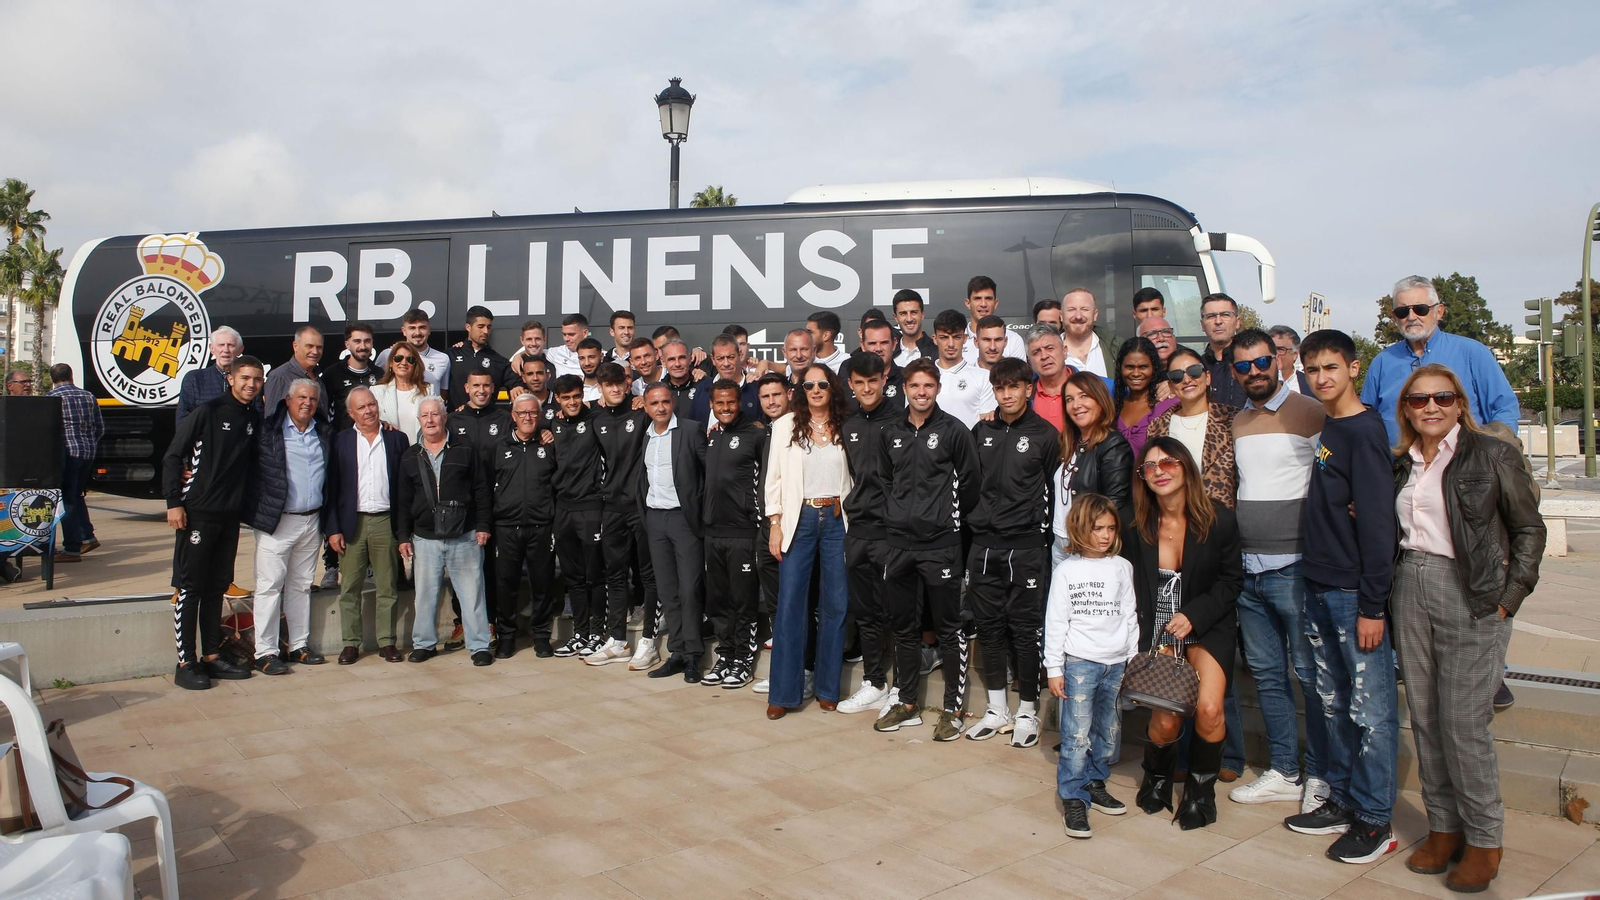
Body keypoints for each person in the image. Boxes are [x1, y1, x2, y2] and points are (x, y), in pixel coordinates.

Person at [1390, 365, 1543, 892]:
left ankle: (1483, 839)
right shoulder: (1402, 463)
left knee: (1463, 722)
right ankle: (1444, 827)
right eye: (1419, 400)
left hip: (1472, 591)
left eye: (1442, 397)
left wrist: (1509, 598)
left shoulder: (1492, 454)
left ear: (1459, 403)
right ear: (1406, 409)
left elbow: (1529, 529)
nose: (1430, 407)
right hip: (1411, 586)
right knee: (1426, 717)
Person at [1285, 329, 1400, 865]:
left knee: (1369, 711)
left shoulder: (1365, 430)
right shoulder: (1330, 425)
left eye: (1331, 367)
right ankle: (1345, 801)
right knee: (1333, 703)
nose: (1321, 377)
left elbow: (1378, 524)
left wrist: (1373, 605)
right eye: (1312, 369)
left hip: (1354, 594)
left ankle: (1375, 820)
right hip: (1318, 581)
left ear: (1354, 368)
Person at [1225, 329, 1329, 813]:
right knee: (1268, 675)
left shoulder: (1311, 412)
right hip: (1248, 569)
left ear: (1280, 360)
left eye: (1262, 361)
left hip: (1295, 566)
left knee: (1310, 676)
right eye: (1243, 366)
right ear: (1234, 372)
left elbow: (1332, 482)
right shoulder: (1238, 421)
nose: (1254, 372)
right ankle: (1285, 771)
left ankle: (1322, 775)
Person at [1127, 437, 1242, 831]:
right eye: (1150, 466)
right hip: (1159, 629)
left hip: (1206, 623)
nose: (1159, 471)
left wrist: (1194, 615)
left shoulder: (1220, 520)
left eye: (1168, 463)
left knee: (1209, 710)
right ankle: (1157, 779)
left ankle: (1200, 792)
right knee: (1166, 720)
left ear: (1186, 467)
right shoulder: (1135, 523)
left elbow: (1231, 582)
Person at [875, 359, 981, 740]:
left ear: (938, 388)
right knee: (904, 627)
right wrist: (899, 516)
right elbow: (885, 481)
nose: (921, 393)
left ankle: (953, 709)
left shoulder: (954, 431)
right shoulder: (891, 432)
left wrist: (942, 518)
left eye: (928, 386)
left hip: (941, 546)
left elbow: (971, 484)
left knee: (949, 629)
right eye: (915, 386)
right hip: (899, 546)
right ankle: (906, 703)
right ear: (905, 388)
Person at [966, 357, 1062, 748]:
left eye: (1014, 387)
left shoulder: (1046, 434)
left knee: (1024, 631)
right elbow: (968, 482)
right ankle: (996, 709)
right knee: (989, 628)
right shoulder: (982, 430)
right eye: (1000, 388)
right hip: (984, 544)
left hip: (1025, 547)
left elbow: (1054, 491)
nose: (1007, 395)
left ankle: (1027, 711)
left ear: (1028, 389)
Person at [163, 356, 264, 691]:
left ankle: (211, 656)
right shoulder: (208, 411)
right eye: (245, 378)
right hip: (198, 513)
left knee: (216, 587)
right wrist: (174, 502)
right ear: (231, 379)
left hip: (229, 517)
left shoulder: (253, 417)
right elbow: (173, 455)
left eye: (257, 379)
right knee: (190, 587)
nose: (251, 384)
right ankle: (185, 662)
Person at [1046, 494, 1140, 839]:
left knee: (1108, 732)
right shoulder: (1067, 571)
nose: (1105, 535)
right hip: (1080, 664)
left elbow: (1129, 614)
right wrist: (1054, 668)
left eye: (1111, 528)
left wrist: (1132, 659)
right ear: (1079, 528)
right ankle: (1073, 796)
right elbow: (1056, 621)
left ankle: (1095, 782)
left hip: (1116, 664)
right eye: (1097, 528)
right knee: (1075, 735)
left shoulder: (1122, 567)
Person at [764, 364, 851, 718]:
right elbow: (773, 478)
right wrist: (774, 522)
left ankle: (828, 688)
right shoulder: (784, 425)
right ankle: (783, 693)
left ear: (832, 388)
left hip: (836, 520)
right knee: (790, 606)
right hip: (797, 520)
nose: (816, 390)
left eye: (822, 384)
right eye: (809, 384)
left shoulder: (845, 424)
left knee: (836, 605)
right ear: (801, 390)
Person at [1362, 275, 1520, 447]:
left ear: (1439, 312)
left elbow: (1504, 410)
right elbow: (1367, 422)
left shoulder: (1472, 353)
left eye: (1420, 309)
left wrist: (1490, 453)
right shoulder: (1382, 362)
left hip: (1464, 461)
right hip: (1397, 462)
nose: (1411, 317)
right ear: (1394, 317)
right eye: (1402, 312)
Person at [243, 378, 333, 674]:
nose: (307, 403)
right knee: (269, 586)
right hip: (277, 521)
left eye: (312, 399)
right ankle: (265, 652)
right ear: (288, 400)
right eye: (302, 398)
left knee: (301, 586)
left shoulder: (323, 431)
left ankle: (298, 645)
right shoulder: (269, 430)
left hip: (312, 520)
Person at [396, 398, 494, 666]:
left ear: (444, 417)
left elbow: (482, 490)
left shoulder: (465, 450)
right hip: (425, 538)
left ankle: (479, 645)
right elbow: (403, 500)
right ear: (419, 421)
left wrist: (483, 525)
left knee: (472, 594)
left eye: (435, 414)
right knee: (425, 595)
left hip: (465, 536)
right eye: (424, 416)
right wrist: (403, 536)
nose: (430, 420)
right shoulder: (410, 456)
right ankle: (424, 644)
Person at [835, 352, 899, 714]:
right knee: (866, 612)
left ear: (884, 380)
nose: (867, 389)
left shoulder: (902, 420)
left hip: (894, 532)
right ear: (851, 385)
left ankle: (902, 688)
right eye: (859, 383)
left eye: (873, 381)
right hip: (858, 530)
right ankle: (874, 682)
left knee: (900, 612)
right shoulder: (849, 425)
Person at [326, 387, 407, 665]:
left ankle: (387, 641)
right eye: (361, 407)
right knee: (350, 587)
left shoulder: (396, 439)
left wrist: (403, 529)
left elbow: (404, 487)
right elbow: (331, 488)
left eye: (371, 404)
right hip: (352, 523)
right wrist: (333, 529)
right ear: (351, 413)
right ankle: (351, 643)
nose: (368, 411)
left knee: (388, 586)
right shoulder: (340, 441)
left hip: (386, 521)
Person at [587, 363, 658, 668]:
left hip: (641, 506)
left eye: (619, 383)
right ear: (600, 388)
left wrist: (645, 403)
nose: (615, 389)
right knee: (615, 575)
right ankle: (617, 641)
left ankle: (649, 642)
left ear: (627, 384)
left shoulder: (642, 413)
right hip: (611, 508)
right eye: (608, 385)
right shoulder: (596, 419)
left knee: (649, 575)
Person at [637, 382, 709, 681]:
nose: (661, 407)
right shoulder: (645, 435)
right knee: (667, 590)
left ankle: (693, 656)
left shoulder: (691, 430)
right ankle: (677, 653)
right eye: (654, 403)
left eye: (665, 401)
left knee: (689, 589)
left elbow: (707, 472)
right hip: (655, 519)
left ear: (673, 402)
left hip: (684, 519)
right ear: (646, 407)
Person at [699, 380, 767, 688]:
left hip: (743, 532)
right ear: (711, 405)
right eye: (719, 403)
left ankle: (743, 660)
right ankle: (725, 655)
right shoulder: (712, 436)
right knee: (719, 600)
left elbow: (765, 482)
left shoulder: (756, 435)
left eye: (731, 402)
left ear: (740, 403)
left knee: (743, 600)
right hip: (713, 532)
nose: (725, 408)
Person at [490, 393, 559, 659]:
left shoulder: (549, 445)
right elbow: (487, 485)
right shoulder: (500, 447)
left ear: (539, 416)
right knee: (505, 584)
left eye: (532, 413)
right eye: (522, 413)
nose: (527, 417)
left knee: (542, 584)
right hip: (507, 527)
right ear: (513, 416)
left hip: (541, 527)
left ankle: (541, 636)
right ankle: (506, 636)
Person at [547, 374, 607, 657]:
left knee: (595, 574)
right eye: (566, 398)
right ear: (557, 399)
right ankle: (580, 634)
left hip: (591, 506)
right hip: (563, 508)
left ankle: (598, 633)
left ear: (583, 395)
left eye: (576, 396)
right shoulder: (552, 424)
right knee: (573, 576)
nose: (572, 402)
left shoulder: (596, 418)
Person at [1052, 373, 1134, 567]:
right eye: (1069, 399)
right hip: (1060, 542)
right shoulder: (1068, 443)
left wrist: (1090, 543)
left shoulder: (1113, 444)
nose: (1076, 405)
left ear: (1100, 399)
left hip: (1090, 546)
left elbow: (1115, 503)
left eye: (1084, 396)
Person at [1148, 347, 1239, 508]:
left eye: (1194, 371)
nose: (1187, 379)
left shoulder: (1233, 420)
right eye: (1177, 376)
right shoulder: (1157, 427)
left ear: (1208, 377)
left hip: (1222, 516)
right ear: (1170, 385)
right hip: (1175, 516)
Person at [47, 364, 104, 562]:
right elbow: (100, 428)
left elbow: (48, 431)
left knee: (66, 500)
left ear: (53, 379)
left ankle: (72, 548)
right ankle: (86, 535)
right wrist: (89, 443)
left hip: (67, 454)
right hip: (88, 453)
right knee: (77, 495)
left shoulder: (52, 398)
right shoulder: (89, 396)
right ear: (71, 376)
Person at [1113, 336, 1178, 459]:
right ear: (1120, 368)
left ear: (1154, 368)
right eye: (1129, 367)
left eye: (1143, 367)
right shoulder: (1113, 407)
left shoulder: (1170, 404)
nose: (1136, 373)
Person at [930, 309, 997, 427]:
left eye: (956, 337)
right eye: (944, 337)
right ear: (935, 339)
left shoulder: (983, 377)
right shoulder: (921, 378)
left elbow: (986, 425)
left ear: (965, 338)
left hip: (970, 439)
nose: (951, 344)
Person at [446, 305, 518, 407]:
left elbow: (518, 383)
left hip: (488, 417)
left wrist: (517, 387)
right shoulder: (450, 355)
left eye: (489, 327)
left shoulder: (499, 361)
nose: (485, 331)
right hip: (455, 416)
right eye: (481, 326)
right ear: (468, 327)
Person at [176, 326, 245, 427]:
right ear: (212, 349)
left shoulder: (248, 380)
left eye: (231, 345)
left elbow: (259, 417)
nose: (225, 350)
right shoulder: (194, 379)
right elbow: (183, 419)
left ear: (240, 350)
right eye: (221, 345)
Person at [376, 309, 450, 401]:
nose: (417, 333)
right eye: (412, 328)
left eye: (422, 327)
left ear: (429, 329)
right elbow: (378, 384)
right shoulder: (388, 355)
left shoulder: (443, 359)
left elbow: (443, 394)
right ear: (404, 331)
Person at [690, 334, 763, 425]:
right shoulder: (702, 388)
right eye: (720, 358)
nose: (726, 363)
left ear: (739, 355)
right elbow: (693, 427)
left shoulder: (756, 389)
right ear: (713, 360)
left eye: (731, 357)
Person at [263, 325, 331, 420]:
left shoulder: (319, 378)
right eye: (309, 346)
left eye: (319, 347)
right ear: (295, 346)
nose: (315, 352)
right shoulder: (279, 376)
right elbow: (271, 419)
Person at [838, 320, 905, 414]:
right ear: (863, 346)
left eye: (884, 343)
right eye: (872, 343)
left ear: (894, 344)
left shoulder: (906, 377)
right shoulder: (847, 373)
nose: (878, 349)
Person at [370, 341, 432, 442]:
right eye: (398, 358)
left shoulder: (428, 390)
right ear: (391, 363)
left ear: (415, 364)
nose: (404, 363)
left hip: (421, 448)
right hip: (392, 447)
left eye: (410, 359)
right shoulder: (377, 391)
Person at [324, 322, 380, 432]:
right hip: (343, 438)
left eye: (367, 341)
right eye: (357, 341)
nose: (363, 346)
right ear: (347, 345)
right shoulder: (332, 374)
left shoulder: (380, 374)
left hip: (375, 436)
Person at [1198, 294, 1247, 408]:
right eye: (1211, 316)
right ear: (1202, 325)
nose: (1218, 321)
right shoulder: (1196, 368)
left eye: (1225, 315)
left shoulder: (1252, 364)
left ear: (1237, 322)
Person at [961, 275, 1026, 362]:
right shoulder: (957, 341)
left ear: (995, 303)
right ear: (968, 303)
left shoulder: (1014, 340)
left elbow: (1019, 371)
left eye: (988, 298)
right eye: (977, 298)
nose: (983, 304)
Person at [1025, 323, 1071, 431]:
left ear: (1064, 351)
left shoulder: (1097, 387)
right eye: (1036, 352)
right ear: (1029, 361)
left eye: (1050, 348)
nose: (1044, 356)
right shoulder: (1023, 396)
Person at [1060, 288, 1116, 377]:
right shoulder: (1048, 353)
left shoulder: (1115, 348)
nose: (1078, 316)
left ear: (1095, 315)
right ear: (1061, 316)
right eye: (1071, 309)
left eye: (1084, 309)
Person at [657, 340, 700, 421]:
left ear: (690, 358)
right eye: (671, 359)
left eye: (681, 358)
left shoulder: (704, 386)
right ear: (663, 362)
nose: (677, 364)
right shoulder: (658, 391)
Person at [893, 289, 937, 366]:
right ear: (895, 317)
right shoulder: (889, 352)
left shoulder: (936, 351)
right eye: (903, 313)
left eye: (914, 312)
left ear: (922, 314)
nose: (909, 319)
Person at [1267, 325, 1311, 394]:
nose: (1274, 354)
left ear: (1295, 354)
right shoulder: (1257, 383)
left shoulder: (1309, 384)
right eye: (1271, 349)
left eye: (1280, 350)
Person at [546, 313, 590, 379]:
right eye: (564, 334)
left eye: (571, 334)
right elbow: (534, 351)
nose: (566, 339)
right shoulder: (557, 352)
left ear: (585, 333)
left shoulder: (600, 356)